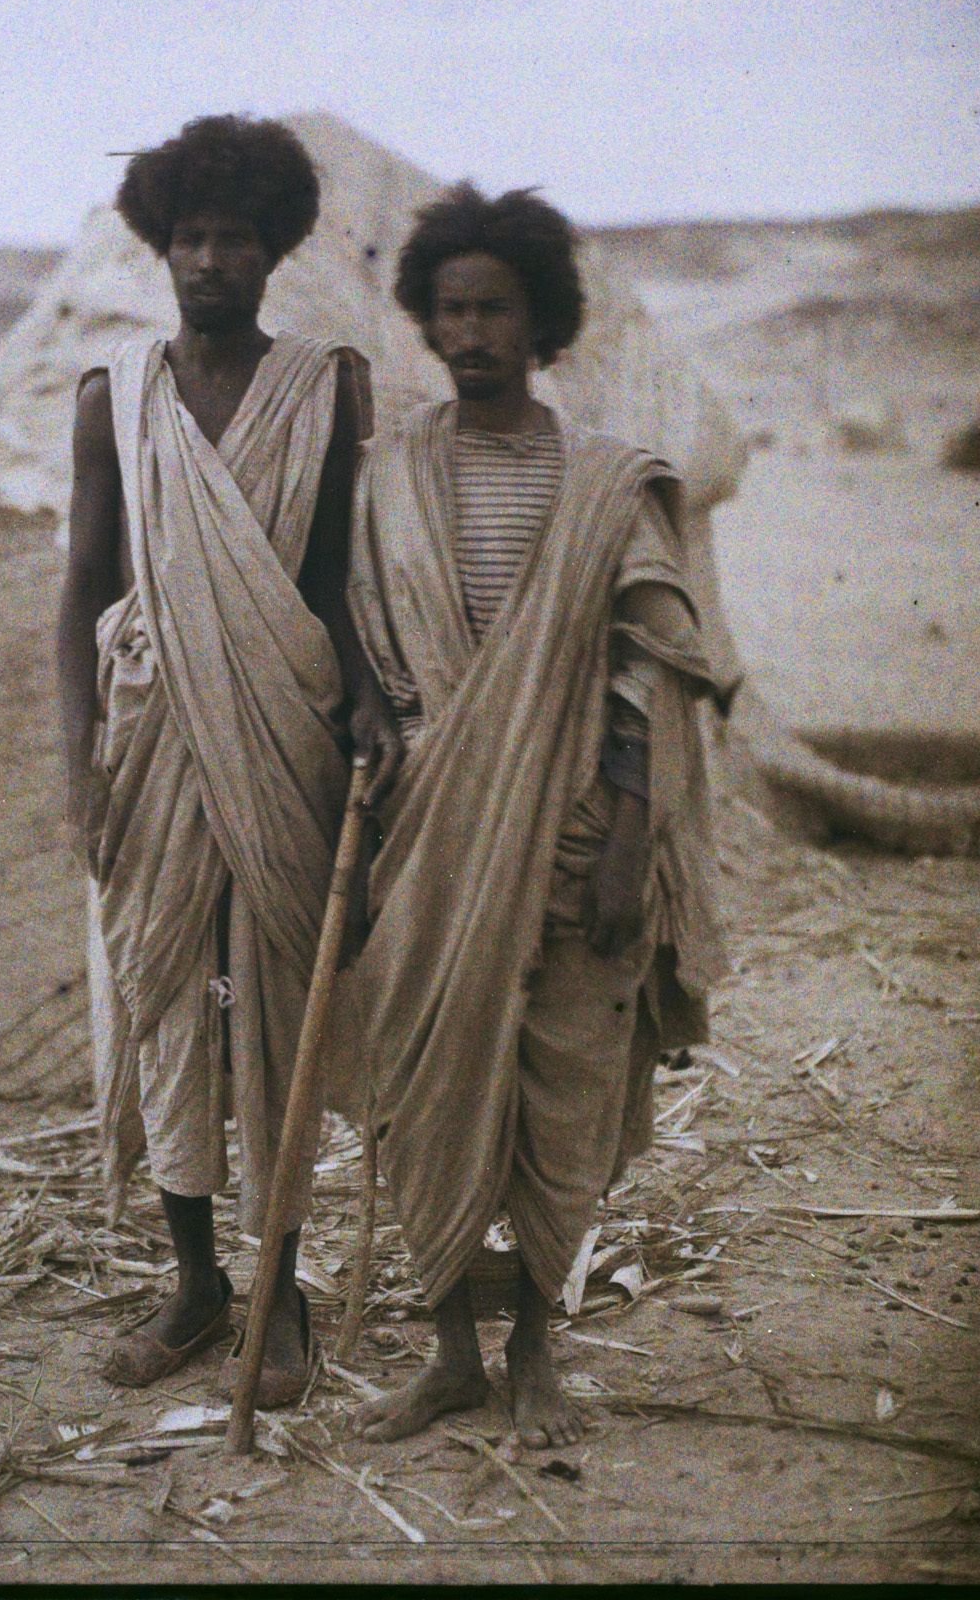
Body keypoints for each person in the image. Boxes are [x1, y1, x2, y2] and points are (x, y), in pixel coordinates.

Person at [345, 183, 729, 1447]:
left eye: (493, 308)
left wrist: (628, 841)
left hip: (573, 832)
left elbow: (650, 669)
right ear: (426, 320)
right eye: (449, 310)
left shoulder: (604, 481)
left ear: (540, 320)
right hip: (429, 830)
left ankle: (537, 1353)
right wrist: (372, 719)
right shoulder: (391, 470)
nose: (469, 333)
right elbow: (363, 638)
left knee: (561, 1094)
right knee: (428, 1082)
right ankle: (452, 1351)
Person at [58, 114, 401, 1408]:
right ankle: (195, 1285)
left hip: (285, 723)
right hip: (148, 737)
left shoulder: (328, 388)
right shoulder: (114, 394)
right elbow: (82, 586)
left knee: (279, 1004)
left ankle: (282, 1289)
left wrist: (364, 696)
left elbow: (335, 576)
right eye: (188, 236)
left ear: (273, 250)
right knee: (157, 994)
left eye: (234, 238)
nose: (209, 258)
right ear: (159, 244)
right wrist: (74, 760)